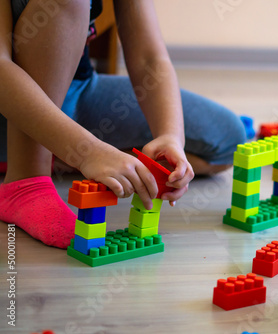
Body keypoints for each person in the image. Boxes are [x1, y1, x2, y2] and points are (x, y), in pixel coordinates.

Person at [0, 0, 246, 248]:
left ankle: (64, 154)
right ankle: (26, 178)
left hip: (77, 91)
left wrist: (171, 136)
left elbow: (149, 58)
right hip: (10, 103)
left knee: (226, 140)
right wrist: (88, 152)